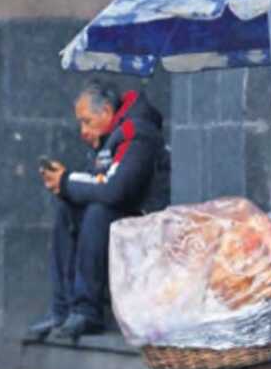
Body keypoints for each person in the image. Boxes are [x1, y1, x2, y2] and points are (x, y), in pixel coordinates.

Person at [29, 80, 170, 342]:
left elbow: (114, 189)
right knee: (67, 210)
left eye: (87, 121)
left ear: (106, 111)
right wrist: (66, 184)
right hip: (124, 216)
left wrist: (67, 181)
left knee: (97, 212)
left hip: (148, 221)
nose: (83, 130)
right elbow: (98, 181)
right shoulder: (109, 139)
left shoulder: (134, 131)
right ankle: (62, 310)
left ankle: (87, 311)